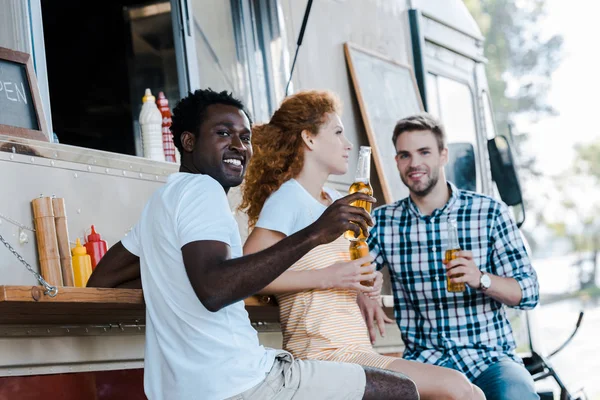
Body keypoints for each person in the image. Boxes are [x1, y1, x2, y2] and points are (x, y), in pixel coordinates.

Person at [86, 88, 419, 400]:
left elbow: (102, 280)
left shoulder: (162, 201)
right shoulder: (204, 191)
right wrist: (316, 232)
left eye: (245, 137)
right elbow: (215, 288)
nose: (239, 145)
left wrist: (172, 279)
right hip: (238, 381)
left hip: (181, 391)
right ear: (188, 141)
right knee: (400, 391)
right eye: (223, 133)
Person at [241, 90, 485, 400]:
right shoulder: (288, 198)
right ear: (309, 139)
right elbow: (246, 275)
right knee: (457, 389)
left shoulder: (330, 199)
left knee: (469, 390)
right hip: (322, 355)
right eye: (338, 132)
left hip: (355, 350)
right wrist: (329, 277)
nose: (347, 144)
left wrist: (364, 286)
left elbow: (343, 270)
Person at [366, 113, 540, 400]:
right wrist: (363, 289)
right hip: (425, 362)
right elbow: (355, 272)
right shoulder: (384, 222)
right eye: (405, 155)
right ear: (396, 162)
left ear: (443, 155)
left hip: (490, 358)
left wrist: (481, 278)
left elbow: (529, 293)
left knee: (516, 394)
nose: (414, 164)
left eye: (424, 152)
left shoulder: (489, 212)